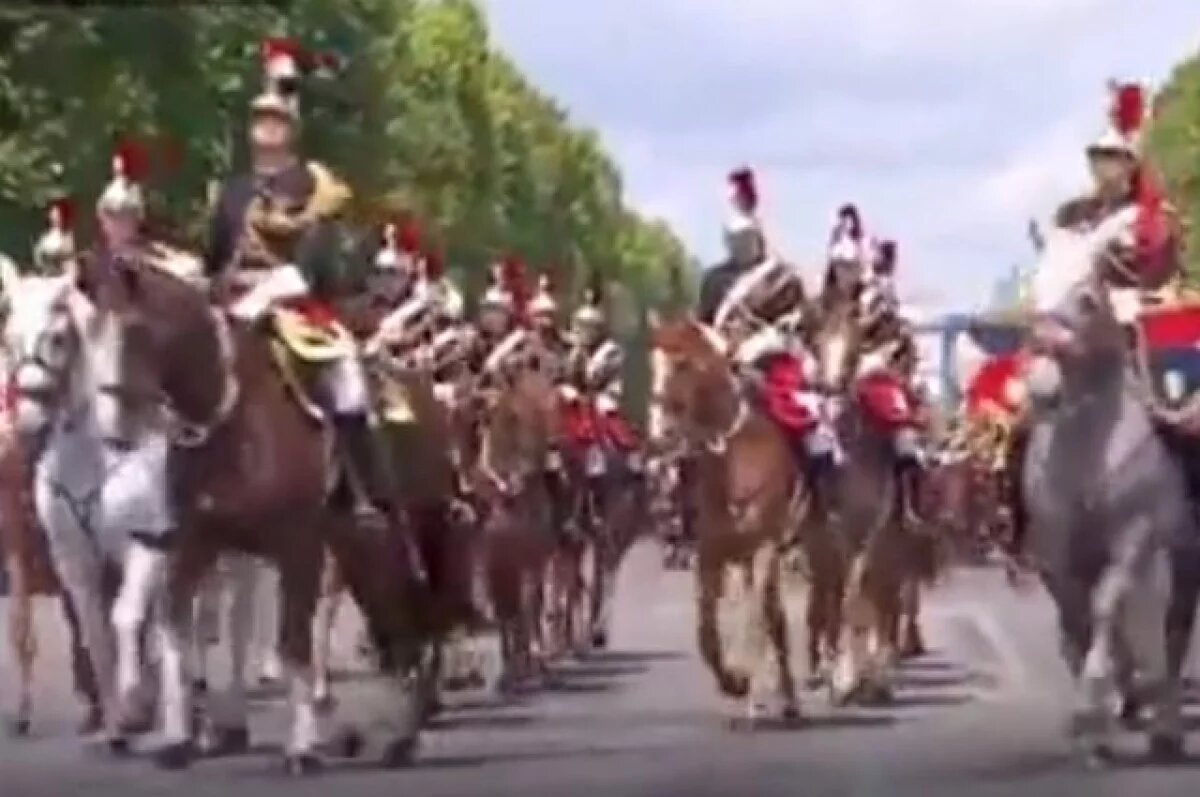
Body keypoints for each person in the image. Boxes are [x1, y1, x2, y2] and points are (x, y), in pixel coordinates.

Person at [204, 37, 394, 527]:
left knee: (349, 381)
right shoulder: (233, 191)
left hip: (294, 308)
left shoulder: (314, 189)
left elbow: (310, 268)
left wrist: (260, 299)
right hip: (229, 302)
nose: (266, 129)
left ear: (292, 128)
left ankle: (360, 491)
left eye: (276, 120)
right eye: (259, 120)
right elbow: (214, 255)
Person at [31, 195, 77, 276]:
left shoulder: (66, 236)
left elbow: (68, 261)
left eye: (56, 212)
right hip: (43, 275)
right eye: (51, 211)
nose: (52, 214)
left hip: (57, 277)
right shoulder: (44, 235)